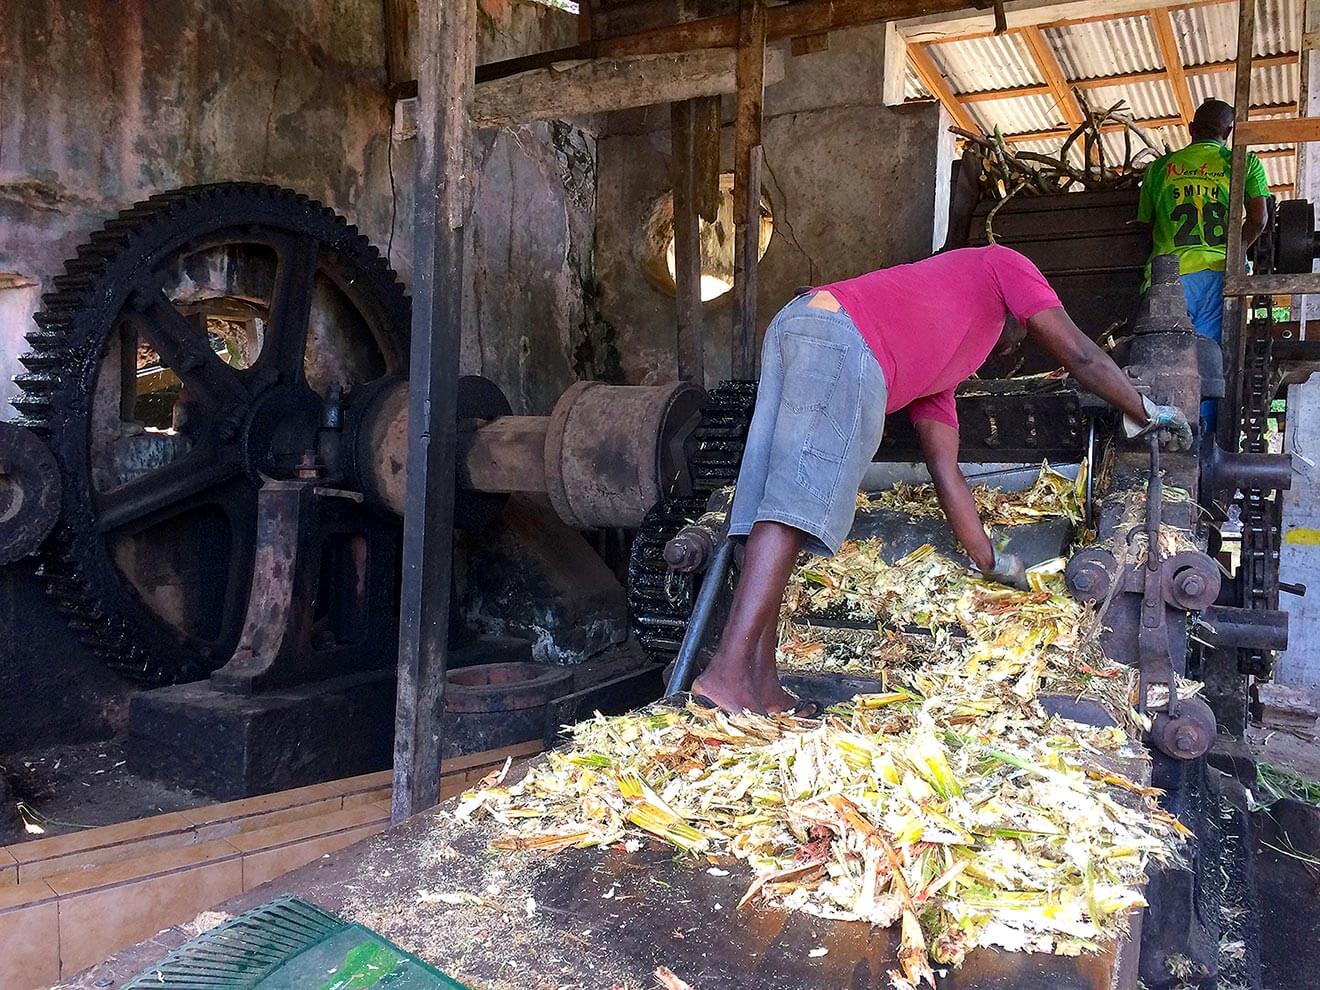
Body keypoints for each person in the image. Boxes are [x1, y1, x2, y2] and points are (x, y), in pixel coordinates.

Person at [690, 244, 1192, 716]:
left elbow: (945, 470)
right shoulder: (1003, 263)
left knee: (768, 504)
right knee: (795, 505)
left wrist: (995, 561)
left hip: (797, 323)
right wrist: (1146, 410)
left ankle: (760, 683)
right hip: (841, 335)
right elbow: (1080, 355)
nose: (1014, 349)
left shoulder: (945, 365)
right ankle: (727, 675)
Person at [1136, 98, 1269, 422]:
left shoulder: (1159, 169)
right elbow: (1259, 218)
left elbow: (1146, 225)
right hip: (1217, 278)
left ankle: (1159, 433)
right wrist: (1234, 251)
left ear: (1191, 129)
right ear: (1228, 131)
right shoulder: (1244, 163)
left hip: (1167, 280)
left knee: (1161, 364)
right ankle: (1201, 438)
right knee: (1207, 364)